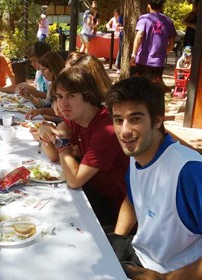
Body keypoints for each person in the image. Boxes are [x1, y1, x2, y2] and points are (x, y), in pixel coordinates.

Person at [105, 76, 202, 279]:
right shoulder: (137, 152)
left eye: (135, 119)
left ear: (157, 120)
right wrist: (116, 242)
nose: (124, 131)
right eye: (118, 120)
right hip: (140, 253)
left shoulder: (189, 171)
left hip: (171, 272)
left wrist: (166, 279)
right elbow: (133, 200)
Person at [37, 67, 128, 227]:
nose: (63, 103)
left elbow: (74, 180)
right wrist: (44, 132)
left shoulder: (106, 128)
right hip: (92, 194)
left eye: (71, 96)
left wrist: (62, 141)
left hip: (115, 211)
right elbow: (53, 155)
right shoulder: (78, 118)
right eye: (59, 96)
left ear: (88, 96)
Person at [130, 0, 176, 84]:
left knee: (140, 86)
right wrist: (165, 53)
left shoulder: (144, 18)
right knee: (154, 87)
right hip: (158, 62)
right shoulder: (168, 21)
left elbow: (139, 35)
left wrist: (133, 54)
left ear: (149, 5)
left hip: (142, 60)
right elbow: (172, 42)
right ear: (161, 7)